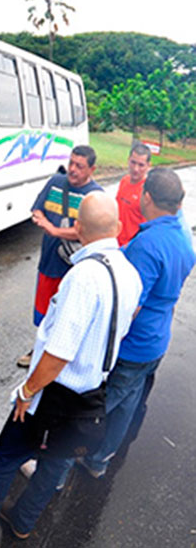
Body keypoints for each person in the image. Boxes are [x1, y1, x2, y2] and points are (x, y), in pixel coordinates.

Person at [0, 192, 142, 545]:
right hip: (91, 394)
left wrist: (26, 393)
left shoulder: (83, 278)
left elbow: (58, 353)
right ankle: (22, 521)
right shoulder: (130, 274)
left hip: (53, 396)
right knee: (55, 463)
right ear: (119, 227)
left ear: (77, 228)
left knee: (4, 457)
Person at [78, 168, 195, 478]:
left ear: (147, 197)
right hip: (157, 340)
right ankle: (100, 460)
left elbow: (132, 304)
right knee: (127, 404)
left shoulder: (149, 244)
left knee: (97, 406)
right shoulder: (183, 235)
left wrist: (104, 340)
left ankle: (60, 467)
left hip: (134, 343)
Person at [17, 145, 104, 368]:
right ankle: (39, 349)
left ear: (92, 169)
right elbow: (38, 208)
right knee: (44, 312)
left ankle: (59, 359)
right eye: (71, 163)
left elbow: (83, 231)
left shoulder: (95, 196)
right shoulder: (56, 182)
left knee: (68, 314)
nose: (72, 169)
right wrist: (39, 218)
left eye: (79, 166)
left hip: (74, 268)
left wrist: (54, 230)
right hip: (48, 262)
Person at [115, 142, 151, 246]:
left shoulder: (147, 192)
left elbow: (147, 228)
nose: (136, 169)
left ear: (148, 165)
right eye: (133, 162)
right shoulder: (124, 181)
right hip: (116, 243)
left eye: (141, 165)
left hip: (131, 247)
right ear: (128, 160)